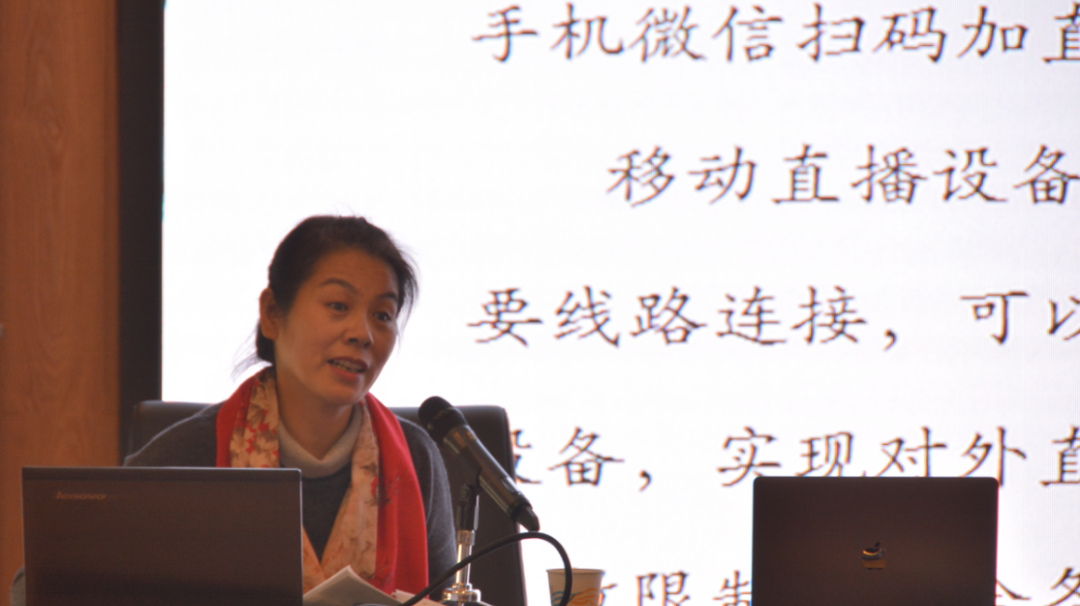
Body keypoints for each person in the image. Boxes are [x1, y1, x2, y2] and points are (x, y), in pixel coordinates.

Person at [10, 216, 456, 606]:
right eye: (338, 306)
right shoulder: (190, 452)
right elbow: (39, 586)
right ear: (272, 313)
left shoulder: (415, 457)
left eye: (383, 315)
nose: (362, 333)